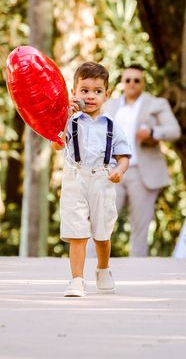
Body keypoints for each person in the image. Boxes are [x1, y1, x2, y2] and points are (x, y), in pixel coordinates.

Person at [52, 62, 131, 297]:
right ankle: (77, 280)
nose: (91, 96)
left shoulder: (112, 125)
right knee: (77, 231)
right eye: (84, 90)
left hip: (102, 179)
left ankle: (103, 268)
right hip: (75, 178)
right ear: (74, 93)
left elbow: (123, 156)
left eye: (97, 91)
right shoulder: (69, 122)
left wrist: (120, 170)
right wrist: (64, 116)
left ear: (106, 94)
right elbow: (56, 144)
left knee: (102, 231)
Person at [102, 64, 180, 257]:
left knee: (140, 226)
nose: (132, 84)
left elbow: (174, 131)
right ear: (122, 82)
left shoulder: (156, 104)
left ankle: (137, 271)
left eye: (137, 80)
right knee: (102, 220)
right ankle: (90, 266)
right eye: (128, 80)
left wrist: (153, 133)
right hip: (111, 170)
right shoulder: (109, 105)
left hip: (140, 172)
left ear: (143, 83)